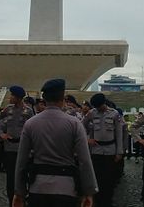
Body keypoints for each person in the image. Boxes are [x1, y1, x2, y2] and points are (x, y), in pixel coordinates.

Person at [12, 78, 97, 207]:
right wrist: (89, 191)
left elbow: (21, 161)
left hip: (38, 187)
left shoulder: (31, 123)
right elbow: (84, 160)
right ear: (63, 98)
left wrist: (19, 192)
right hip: (66, 187)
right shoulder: (75, 124)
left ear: (44, 99)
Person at [0, 85, 35, 205]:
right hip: (10, 148)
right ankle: (11, 201)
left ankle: (23, 200)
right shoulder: (8, 109)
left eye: (12, 95)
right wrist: (1, 133)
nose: (10, 98)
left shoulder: (28, 111)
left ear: (18, 97)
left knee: (23, 176)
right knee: (11, 178)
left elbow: (33, 128)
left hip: (23, 148)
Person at [83, 93, 123, 207]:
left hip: (110, 150)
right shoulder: (92, 113)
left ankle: (108, 201)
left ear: (104, 103)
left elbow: (119, 134)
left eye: (99, 106)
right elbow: (81, 126)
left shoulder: (114, 114)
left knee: (109, 178)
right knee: (97, 177)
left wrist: (119, 152)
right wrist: (87, 139)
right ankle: (98, 201)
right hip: (96, 150)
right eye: (96, 107)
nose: (98, 108)